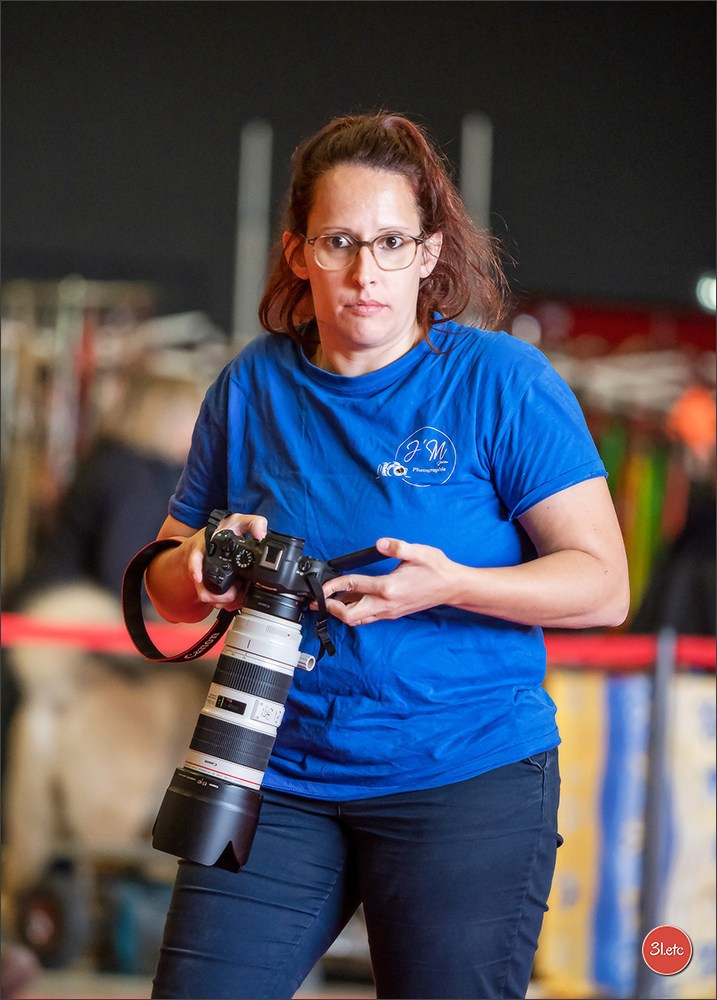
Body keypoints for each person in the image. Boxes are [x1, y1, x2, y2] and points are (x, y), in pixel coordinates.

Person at [144, 111, 630, 1000]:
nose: (365, 273)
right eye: (337, 242)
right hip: (274, 768)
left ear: (428, 251)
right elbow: (167, 593)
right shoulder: (253, 383)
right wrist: (211, 561)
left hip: (463, 774)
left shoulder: (499, 382)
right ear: (298, 252)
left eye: (390, 241)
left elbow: (602, 586)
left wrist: (455, 585)